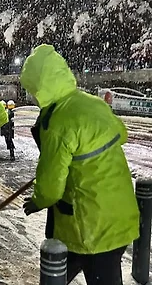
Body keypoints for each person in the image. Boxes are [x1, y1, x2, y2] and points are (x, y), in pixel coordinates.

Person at [20, 44, 139, 285]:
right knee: (63, 272)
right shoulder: (91, 102)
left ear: (39, 87)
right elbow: (121, 134)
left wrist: (37, 201)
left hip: (89, 226)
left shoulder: (57, 122)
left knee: (70, 271)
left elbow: (50, 188)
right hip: (119, 211)